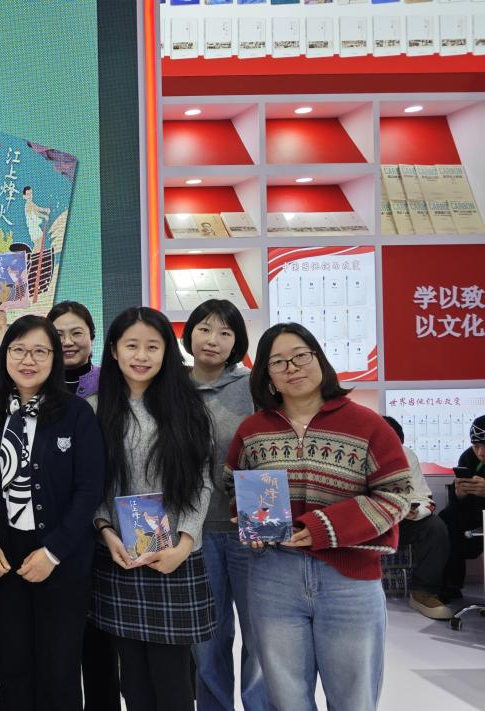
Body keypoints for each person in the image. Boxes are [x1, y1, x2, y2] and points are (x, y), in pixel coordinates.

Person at [228, 323, 412, 710]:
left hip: (349, 577)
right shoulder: (253, 431)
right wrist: (247, 518)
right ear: (267, 376)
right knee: (285, 696)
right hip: (274, 575)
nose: (292, 367)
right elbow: (234, 483)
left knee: (353, 697)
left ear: (319, 360)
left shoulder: (367, 424)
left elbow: (396, 494)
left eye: (301, 356)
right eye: (278, 362)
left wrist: (323, 528)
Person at [0, 315, 105, 709]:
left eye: (40, 351)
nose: (29, 360)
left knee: (59, 671)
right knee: (13, 668)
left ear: (55, 358)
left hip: (62, 558)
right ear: (5, 355)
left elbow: (89, 489)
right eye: (19, 350)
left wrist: (53, 551)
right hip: (4, 559)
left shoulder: (77, 414)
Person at [90, 307, 216, 711]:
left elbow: (202, 482)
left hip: (175, 557)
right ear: (114, 351)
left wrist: (184, 544)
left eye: (152, 346)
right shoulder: (94, 409)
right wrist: (106, 531)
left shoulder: (189, 408)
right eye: (132, 345)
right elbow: (91, 484)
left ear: (167, 352)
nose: (141, 356)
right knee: (134, 681)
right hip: (120, 557)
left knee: (173, 680)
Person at [180, 300, 269, 711]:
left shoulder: (255, 388)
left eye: (225, 332)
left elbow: (268, 454)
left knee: (260, 636)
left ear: (237, 342)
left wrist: (264, 526)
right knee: (207, 640)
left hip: (250, 530)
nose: (212, 340)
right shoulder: (173, 388)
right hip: (195, 533)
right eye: (204, 328)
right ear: (189, 334)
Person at [381, 416, 454, 620]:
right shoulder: (353, 455)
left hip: (397, 522)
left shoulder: (407, 456)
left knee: (435, 527)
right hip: (361, 521)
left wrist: (416, 511)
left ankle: (423, 592)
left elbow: (423, 497)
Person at [0, 300, 102, 398]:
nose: (67, 342)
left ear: (92, 338)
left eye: (76, 333)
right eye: (58, 335)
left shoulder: (107, 378)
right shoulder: (31, 381)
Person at [440, 414, 485, 601]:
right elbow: (457, 500)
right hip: (475, 512)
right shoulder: (468, 457)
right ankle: (451, 584)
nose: (481, 452)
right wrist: (459, 494)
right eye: (476, 446)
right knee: (446, 518)